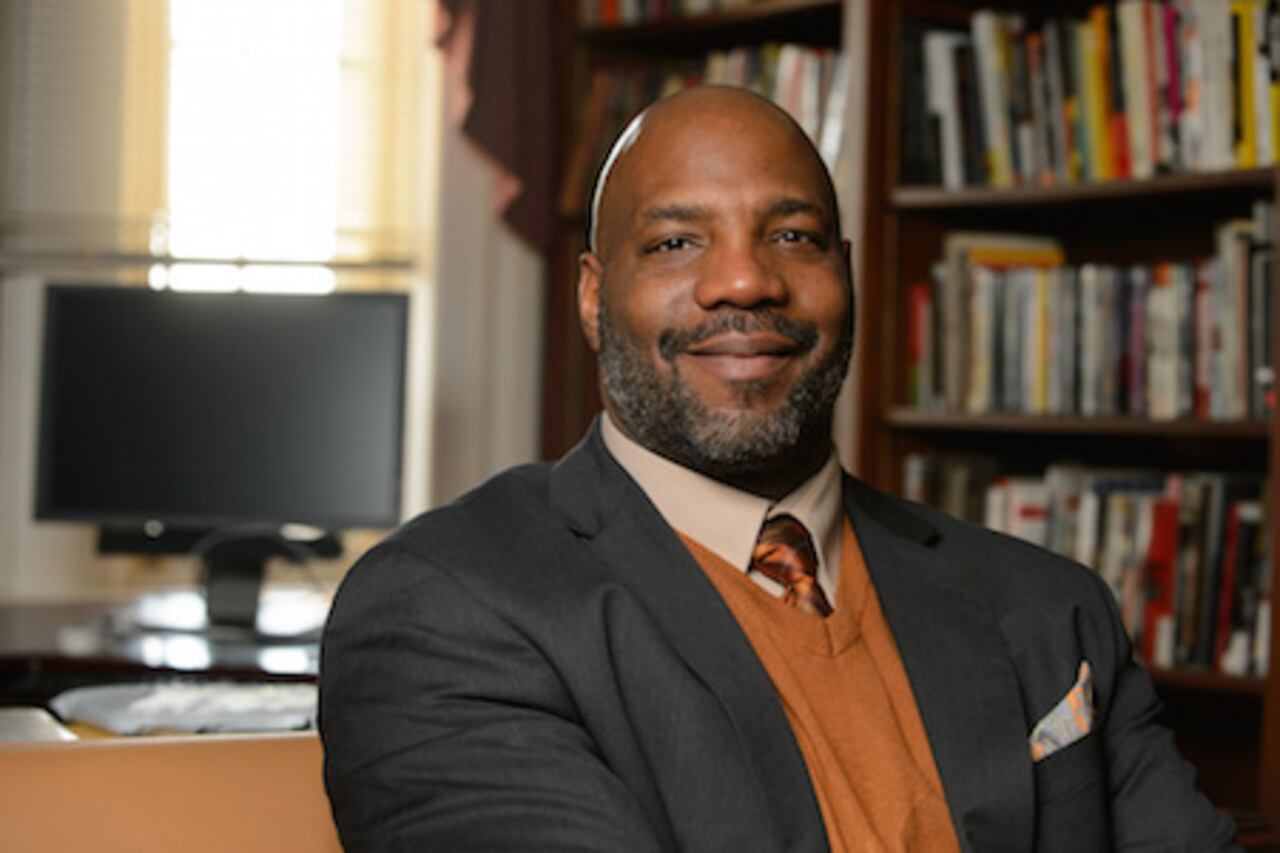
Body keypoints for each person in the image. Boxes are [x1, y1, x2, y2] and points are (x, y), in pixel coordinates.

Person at [320, 86, 1238, 852]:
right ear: (595, 296)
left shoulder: (1048, 605)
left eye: (792, 235)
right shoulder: (447, 608)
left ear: (846, 275)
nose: (745, 282)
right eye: (678, 242)